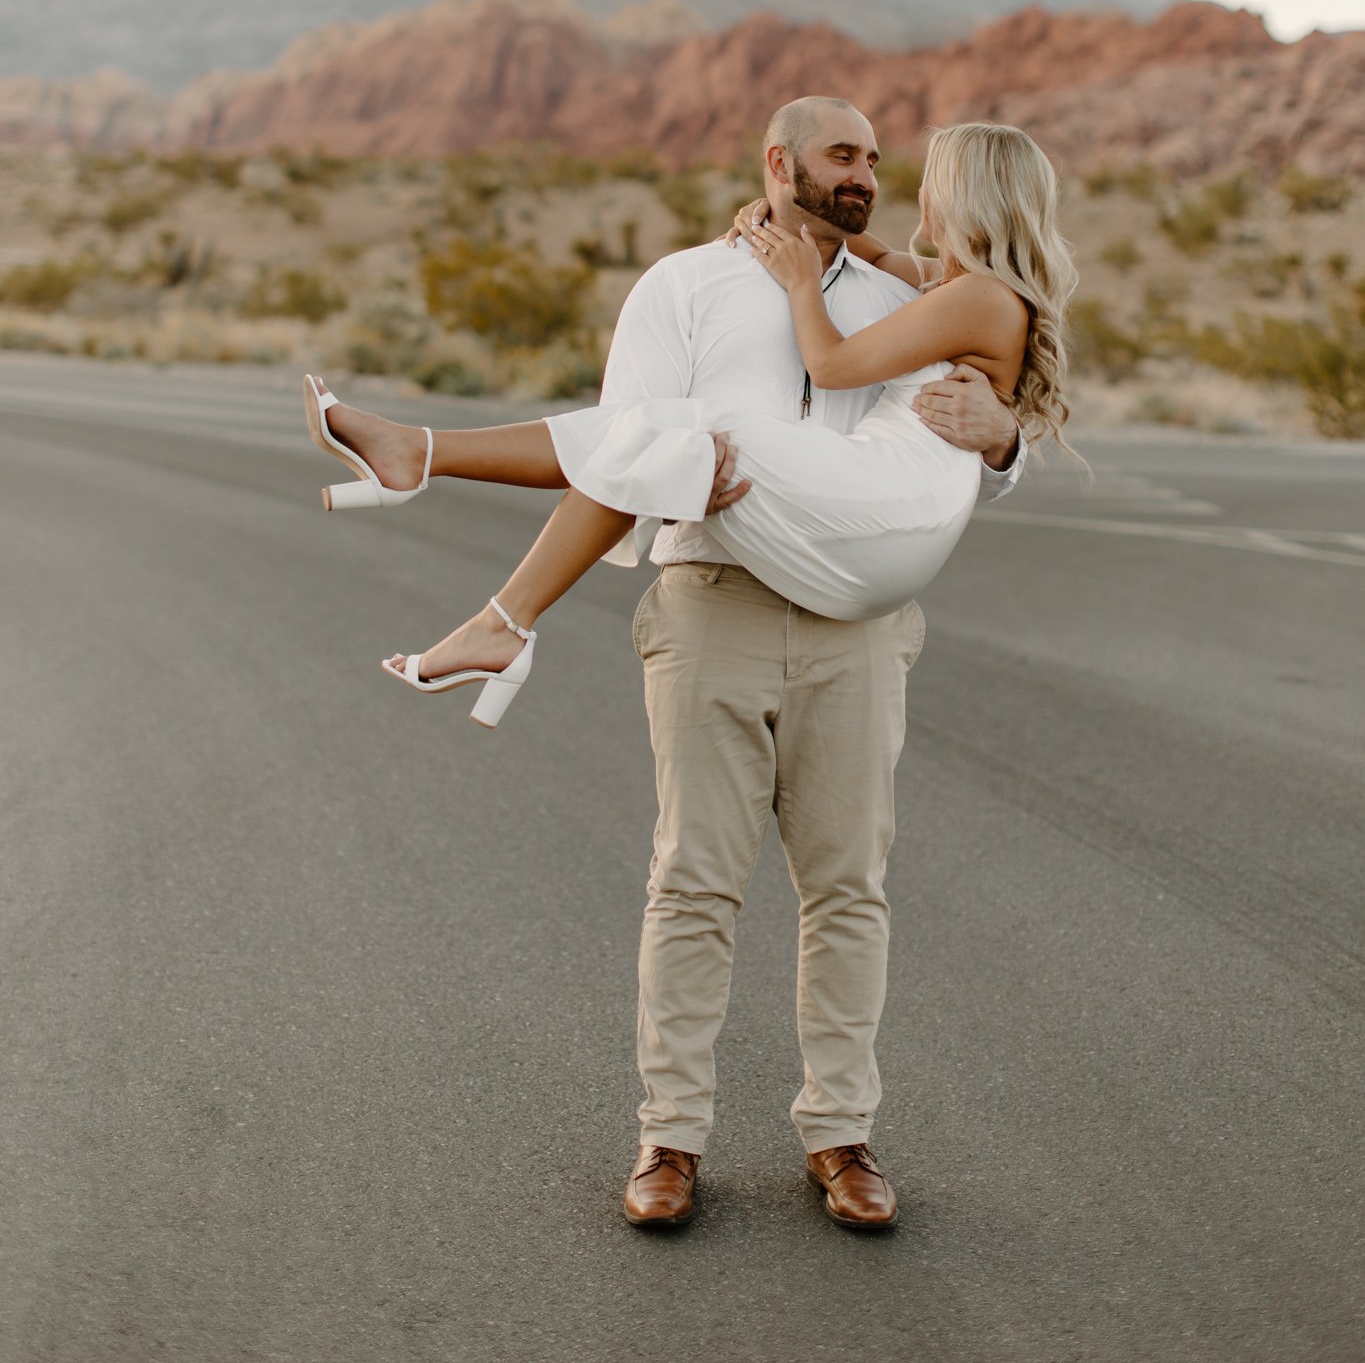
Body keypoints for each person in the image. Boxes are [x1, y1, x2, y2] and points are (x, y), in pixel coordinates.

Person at [304, 103, 1075, 1228]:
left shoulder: (904, 290)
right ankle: (670, 1136)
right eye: (844, 156)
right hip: (718, 597)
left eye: (879, 159)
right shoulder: (682, 283)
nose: (869, 176)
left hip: (854, 624)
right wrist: (676, 484)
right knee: (693, 880)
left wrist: (1003, 435)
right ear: (780, 164)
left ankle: (841, 1134)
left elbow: (969, 457)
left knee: (848, 883)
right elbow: (624, 440)